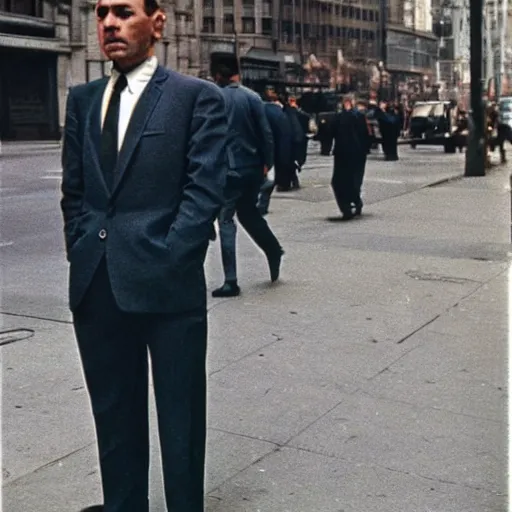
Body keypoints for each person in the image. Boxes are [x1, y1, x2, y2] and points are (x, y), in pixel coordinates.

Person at [60, 1, 228, 511]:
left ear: (157, 23)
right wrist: (81, 247)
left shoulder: (195, 98)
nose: (109, 23)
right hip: (97, 285)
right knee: (113, 421)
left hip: (167, 287)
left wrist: (172, 254)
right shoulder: (83, 99)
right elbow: (76, 192)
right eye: (101, 12)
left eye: (124, 12)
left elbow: (204, 194)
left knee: (180, 425)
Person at [210, 53, 284, 298]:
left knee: (226, 220)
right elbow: (266, 134)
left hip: (228, 171)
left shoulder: (214, 98)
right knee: (249, 213)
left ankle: (231, 280)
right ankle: (273, 249)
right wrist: (266, 163)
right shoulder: (252, 97)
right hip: (252, 168)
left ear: (218, 74)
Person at [330, 95, 371, 220]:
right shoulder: (357, 116)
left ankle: (347, 207)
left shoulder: (342, 117)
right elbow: (365, 135)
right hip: (355, 153)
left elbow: (331, 132)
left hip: (344, 153)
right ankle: (354, 203)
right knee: (352, 181)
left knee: (342, 182)